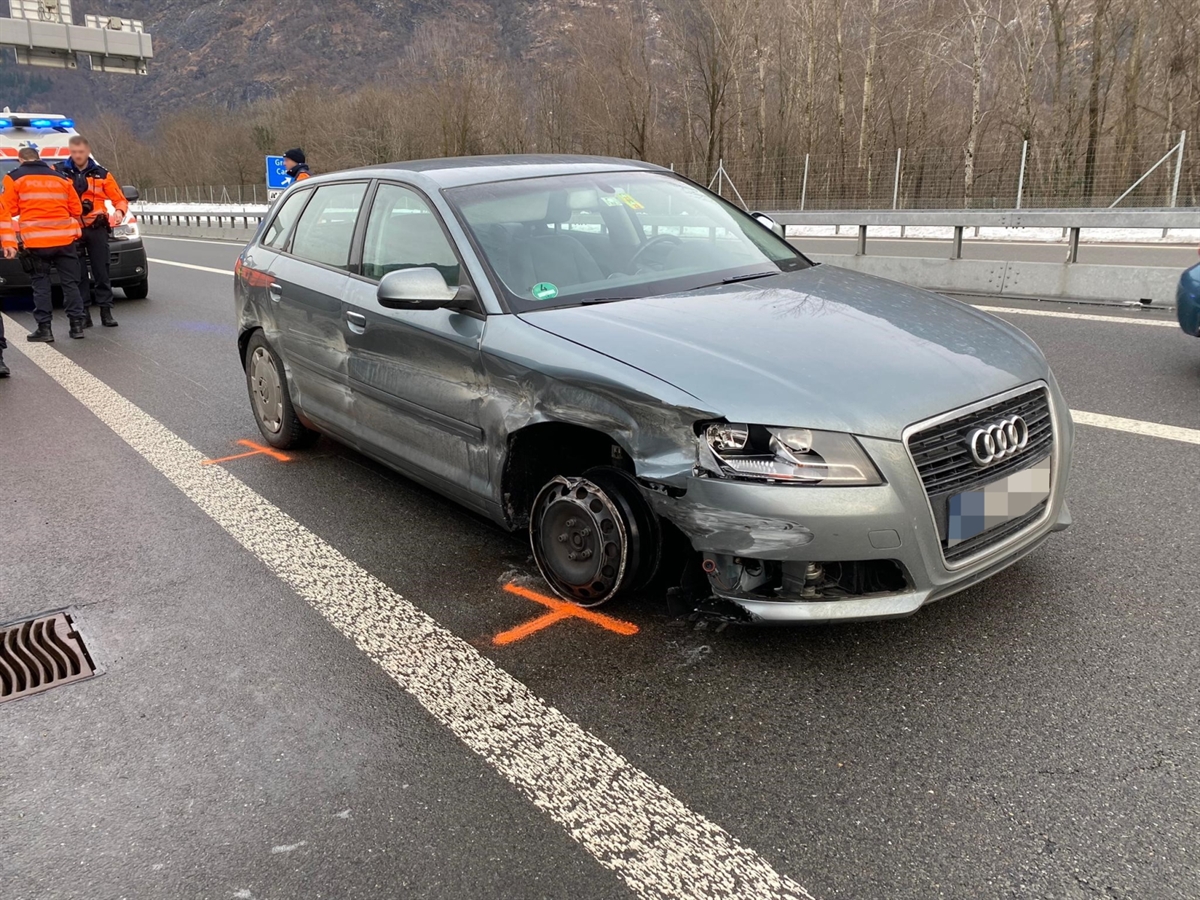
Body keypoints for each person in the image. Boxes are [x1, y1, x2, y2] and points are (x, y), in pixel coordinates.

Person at [0, 146, 85, 342]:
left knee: (41, 284)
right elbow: (76, 209)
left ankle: (45, 329)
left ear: (20, 160)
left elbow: (7, 209)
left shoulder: (14, 178)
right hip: (64, 239)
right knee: (70, 283)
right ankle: (77, 326)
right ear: (40, 159)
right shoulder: (62, 178)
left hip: (36, 241)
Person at [56, 134, 128, 328]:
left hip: (97, 227)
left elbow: (119, 198)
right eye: (74, 152)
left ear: (88, 152)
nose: (78, 156)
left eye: (81, 152)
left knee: (101, 270)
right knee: (77, 273)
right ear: (70, 152)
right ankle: (84, 313)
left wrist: (120, 211)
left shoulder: (102, 173)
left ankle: (106, 311)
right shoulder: (59, 172)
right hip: (73, 229)